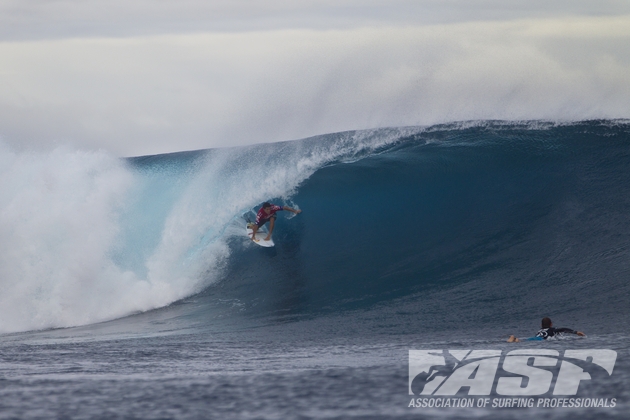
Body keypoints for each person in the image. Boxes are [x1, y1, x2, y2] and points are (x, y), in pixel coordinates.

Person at [507, 317, 586, 342]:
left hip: (534, 338)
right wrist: (575, 332)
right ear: (551, 324)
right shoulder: (552, 330)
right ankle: (514, 339)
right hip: (539, 340)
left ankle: (513, 338)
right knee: (521, 342)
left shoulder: (539, 331)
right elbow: (563, 329)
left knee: (522, 341)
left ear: (541, 325)